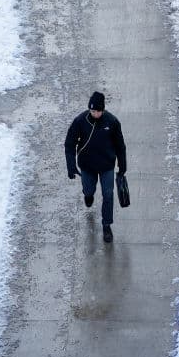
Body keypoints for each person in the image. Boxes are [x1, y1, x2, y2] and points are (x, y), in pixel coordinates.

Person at [64, 91, 127, 243]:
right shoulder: (80, 120)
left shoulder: (112, 122)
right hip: (87, 165)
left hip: (107, 166)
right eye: (92, 111)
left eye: (97, 111)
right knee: (88, 189)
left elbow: (120, 146)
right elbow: (70, 143)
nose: (95, 114)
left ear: (103, 110)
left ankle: (106, 226)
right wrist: (71, 165)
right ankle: (88, 195)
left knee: (108, 194)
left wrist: (122, 166)